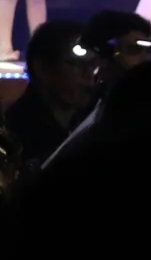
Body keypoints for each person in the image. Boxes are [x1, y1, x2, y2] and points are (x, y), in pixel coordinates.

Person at [6, 17, 94, 166]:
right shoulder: (12, 133)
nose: (90, 75)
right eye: (78, 65)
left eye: (93, 65)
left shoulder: (92, 124)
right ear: (43, 68)